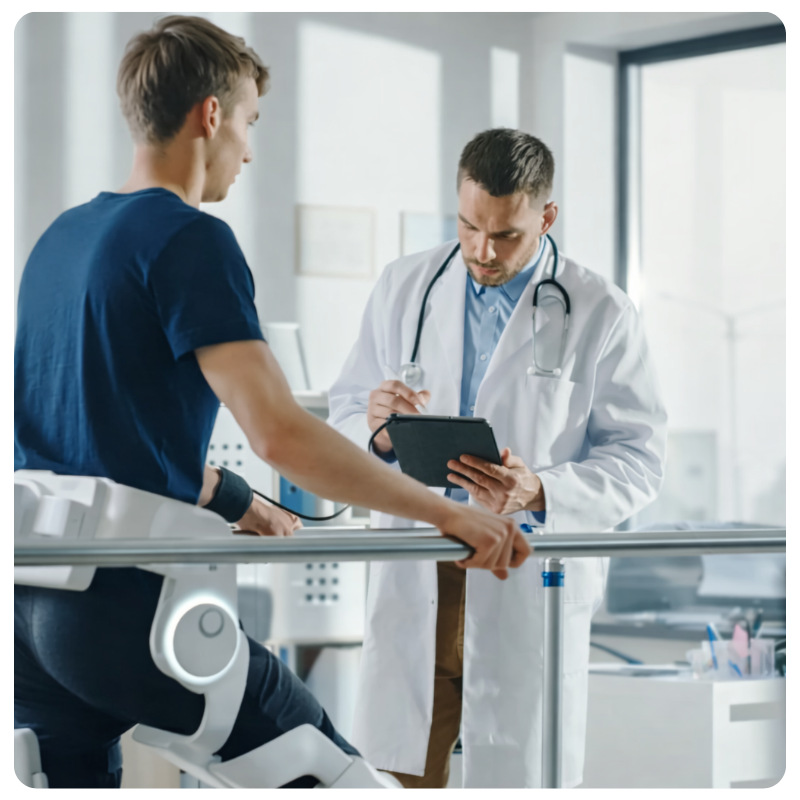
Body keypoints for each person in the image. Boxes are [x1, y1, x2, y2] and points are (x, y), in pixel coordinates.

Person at [13, 17, 529, 790]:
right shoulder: (190, 238)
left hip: (32, 610)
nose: (250, 150)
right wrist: (445, 512)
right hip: (132, 616)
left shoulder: (59, 239)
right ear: (211, 115)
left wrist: (230, 498)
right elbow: (280, 433)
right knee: (333, 774)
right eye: (250, 121)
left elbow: (83, 436)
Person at [328, 129, 667, 789]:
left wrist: (540, 488)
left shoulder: (602, 311)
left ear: (546, 217)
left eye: (506, 235)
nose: (482, 251)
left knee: (515, 771)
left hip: (521, 574)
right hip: (417, 569)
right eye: (468, 227)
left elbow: (639, 459)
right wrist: (379, 430)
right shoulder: (406, 285)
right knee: (395, 774)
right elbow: (344, 409)